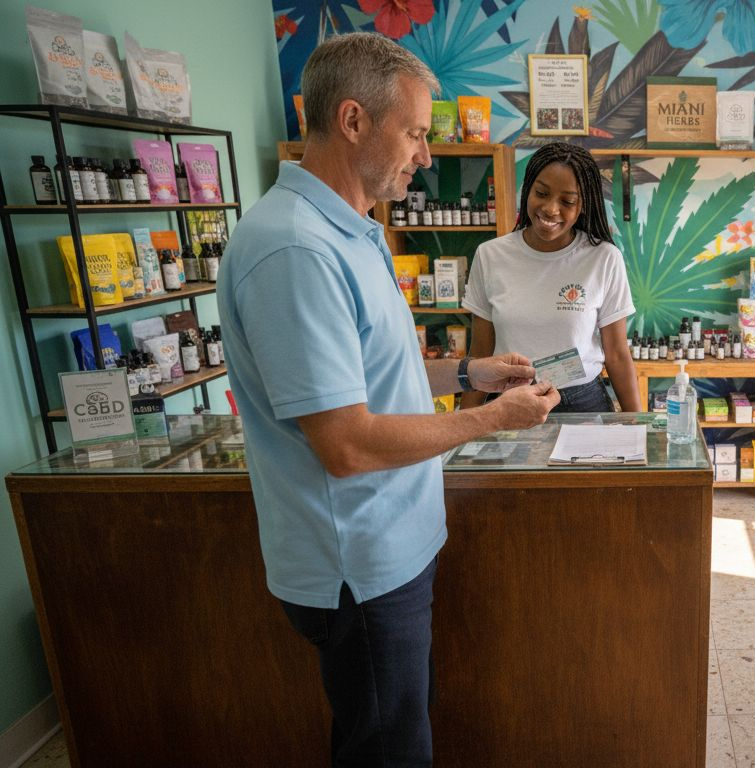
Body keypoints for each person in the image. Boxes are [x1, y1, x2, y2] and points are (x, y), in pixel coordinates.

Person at [216, 33, 560, 766]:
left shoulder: (353, 232)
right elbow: (346, 443)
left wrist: (471, 376)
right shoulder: (296, 252)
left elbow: (370, 377)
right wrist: (492, 419)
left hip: (391, 552)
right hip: (357, 569)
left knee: (397, 732)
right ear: (352, 121)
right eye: (413, 133)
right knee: (388, 752)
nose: (426, 155)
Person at [462, 143, 640, 413]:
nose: (550, 209)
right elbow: (480, 353)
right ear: (528, 190)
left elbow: (616, 355)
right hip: (510, 400)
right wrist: (467, 422)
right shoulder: (490, 256)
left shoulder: (603, 258)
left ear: (583, 205)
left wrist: (636, 425)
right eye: (541, 193)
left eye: (567, 201)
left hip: (582, 403)